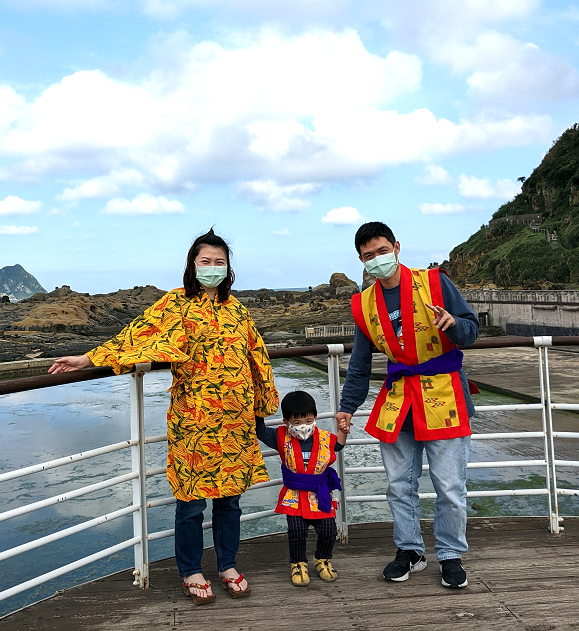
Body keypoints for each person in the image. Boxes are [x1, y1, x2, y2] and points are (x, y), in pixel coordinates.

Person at [47, 228, 278, 605]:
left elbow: (258, 357)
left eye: (219, 262)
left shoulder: (238, 309)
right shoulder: (176, 304)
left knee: (230, 499)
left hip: (236, 420)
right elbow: (137, 334)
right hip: (195, 419)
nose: (212, 268)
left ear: (228, 267)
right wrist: (89, 358)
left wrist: (262, 407)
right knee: (192, 500)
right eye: (205, 261)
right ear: (192, 265)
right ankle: (190, 569)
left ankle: (228, 565)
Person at [334, 221, 479, 590]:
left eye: (382, 251)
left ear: (396, 248)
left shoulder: (434, 282)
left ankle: (450, 554)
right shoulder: (364, 305)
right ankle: (410, 550)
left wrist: (453, 326)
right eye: (369, 256)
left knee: (449, 485)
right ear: (361, 261)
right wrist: (347, 407)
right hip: (399, 399)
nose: (377, 260)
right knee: (399, 485)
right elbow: (360, 364)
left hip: (444, 392)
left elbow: (471, 329)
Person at [255, 391, 348, 587]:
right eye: (297, 422)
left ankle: (323, 559)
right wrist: (259, 408)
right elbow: (260, 431)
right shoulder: (280, 436)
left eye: (308, 419)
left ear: (315, 417)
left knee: (328, 530)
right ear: (286, 421)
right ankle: (297, 563)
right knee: (296, 530)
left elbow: (337, 446)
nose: (303, 425)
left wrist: (343, 430)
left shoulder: (324, 437)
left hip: (319, 493)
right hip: (294, 495)